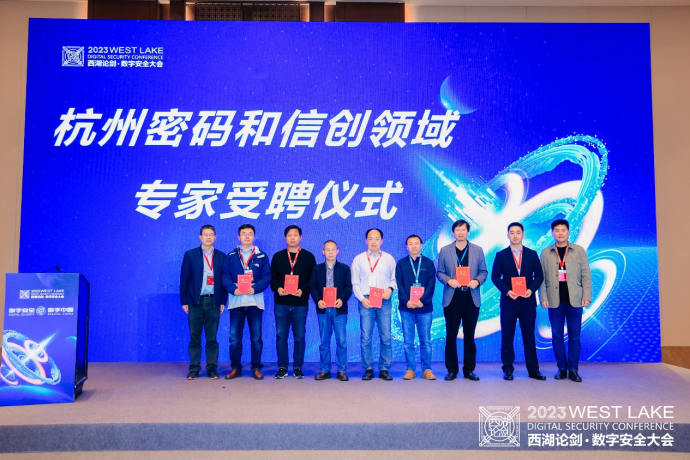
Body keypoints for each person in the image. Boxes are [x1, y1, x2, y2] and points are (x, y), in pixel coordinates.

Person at [490, 222, 546, 381]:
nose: (515, 235)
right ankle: (507, 369)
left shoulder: (532, 254)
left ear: (523, 234)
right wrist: (507, 291)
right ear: (508, 235)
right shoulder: (501, 255)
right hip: (509, 302)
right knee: (507, 337)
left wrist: (531, 289)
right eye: (512, 232)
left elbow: (539, 276)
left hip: (528, 302)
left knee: (529, 336)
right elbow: (495, 277)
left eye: (518, 232)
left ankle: (534, 370)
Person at [539, 219, 592, 382]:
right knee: (557, 336)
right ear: (552, 233)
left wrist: (587, 296)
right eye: (557, 230)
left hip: (575, 300)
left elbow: (586, 274)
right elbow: (541, 277)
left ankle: (573, 369)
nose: (560, 233)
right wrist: (543, 297)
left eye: (563, 230)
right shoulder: (546, 252)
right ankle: (562, 368)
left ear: (568, 232)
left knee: (575, 336)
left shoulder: (578, 250)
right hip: (554, 301)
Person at [436, 219, 488, 381]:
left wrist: (477, 281)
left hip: (471, 297)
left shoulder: (478, 250)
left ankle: (469, 370)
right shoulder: (445, 250)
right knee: (451, 334)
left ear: (468, 232)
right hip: (453, 297)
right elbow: (440, 273)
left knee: (469, 335)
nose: (460, 232)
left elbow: (484, 272)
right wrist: (449, 280)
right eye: (457, 230)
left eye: (463, 229)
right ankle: (452, 370)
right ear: (453, 232)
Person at [221, 224, 271, 381]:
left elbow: (267, 277)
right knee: (235, 339)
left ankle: (256, 368)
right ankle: (236, 368)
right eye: (244, 234)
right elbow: (225, 276)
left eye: (250, 233)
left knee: (256, 339)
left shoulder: (262, 256)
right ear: (239, 237)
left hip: (255, 302)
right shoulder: (231, 256)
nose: (247, 236)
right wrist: (232, 288)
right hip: (236, 302)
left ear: (254, 236)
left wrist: (255, 288)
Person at [179, 224, 227, 380]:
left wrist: (222, 301)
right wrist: (184, 301)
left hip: (214, 302)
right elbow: (184, 279)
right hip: (195, 302)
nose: (208, 237)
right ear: (200, 237)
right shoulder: (190, 255)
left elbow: (224, 281)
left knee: (212, 338)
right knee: (195, 337)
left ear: (215, 237)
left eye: (211, 234)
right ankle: (194, 368)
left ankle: (212, 368)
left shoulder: (221, 256)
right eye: (205, 234)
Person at [270, 225, 317, 379]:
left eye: (295, 235)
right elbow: (272, 278)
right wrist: (278, 288)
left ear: (300, 237)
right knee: (281, 336)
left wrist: (303, 290)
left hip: (300, 303)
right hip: (281, 303)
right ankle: (282, 367)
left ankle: (297, 367)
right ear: (285, 238)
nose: (292, 238)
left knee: (299, 336)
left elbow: (313, 280)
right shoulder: (278, 256)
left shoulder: (308, 257)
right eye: (289, 235)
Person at [351, 228, 397, 381]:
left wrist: (390, 289)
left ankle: (384, 369)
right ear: (366, 241)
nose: (374, 242)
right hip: (366, 300)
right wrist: (362, 299)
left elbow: (394, 279)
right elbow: (355, 283)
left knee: (386, 337)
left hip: (384, 299)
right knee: (366, 337)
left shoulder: (389, 258)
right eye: (371, 239)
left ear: (381, 241)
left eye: (377, 239)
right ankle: (368, 368)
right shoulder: (359, 259)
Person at [310, 240, 353, 381]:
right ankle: (324, 370)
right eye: (327, 249)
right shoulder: (317, 269)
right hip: (323, 309)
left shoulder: (344, 268)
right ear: (323, 252)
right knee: (324, 341)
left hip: (339, 309)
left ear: (337, 251)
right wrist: (318, 300)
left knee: (341, 341)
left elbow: (348, 287)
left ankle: (342, 370)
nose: (330, 252)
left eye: (333, 249)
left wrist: (342, 299)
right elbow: (313, 287)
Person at [395, 234, 437, 380]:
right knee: (408, 341)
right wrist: (406, 301)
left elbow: (431, 284)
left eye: (416, 243)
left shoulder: (428, 263)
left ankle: (427, 370)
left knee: (425, 341)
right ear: (406, 247)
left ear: (421, 245)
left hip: (424, 308)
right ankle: (410, 369)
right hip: (406, 308)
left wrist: (423, 301)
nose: (413, 246)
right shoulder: (401, 263)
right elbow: (399, 284)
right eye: (410, 243)